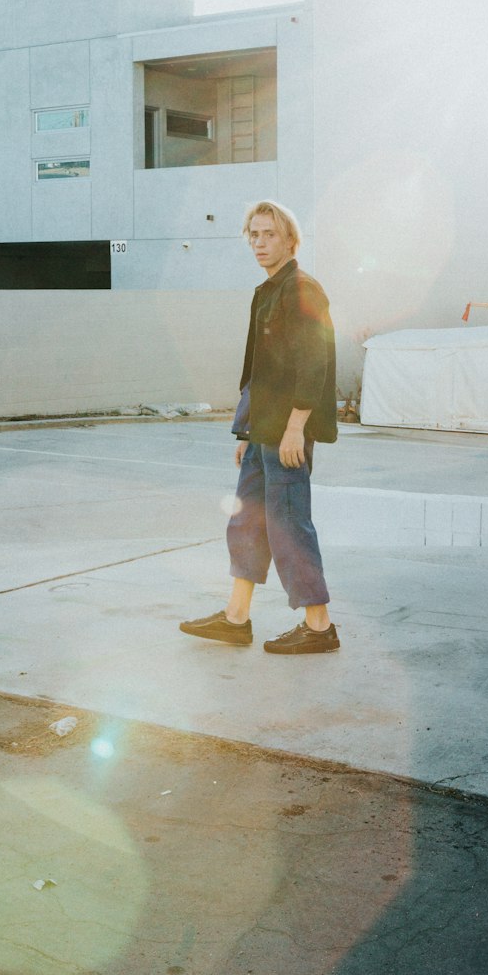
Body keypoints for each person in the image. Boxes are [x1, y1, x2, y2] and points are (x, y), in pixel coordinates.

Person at [180, 200, 339, 654]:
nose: (259, 242)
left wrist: (296, 429)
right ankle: (236, 618)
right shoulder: (265, 291)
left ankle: (320, 626)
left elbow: (315, 364)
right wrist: (246, 430)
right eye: (253, 234)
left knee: (289, 524)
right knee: (247, 522)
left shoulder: (304, 289)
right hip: (262, 431)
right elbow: (258, 370)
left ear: (290, 239)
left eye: (269, 234)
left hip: (288, 432)